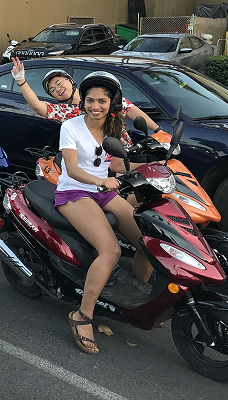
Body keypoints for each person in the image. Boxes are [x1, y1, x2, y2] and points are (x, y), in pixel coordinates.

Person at [54, 72, 153, 355]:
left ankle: (134, 299)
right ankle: (82, 315)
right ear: (83, 101)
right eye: (90, 100)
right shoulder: (71, 127)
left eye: (102, 101)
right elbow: (72, 168)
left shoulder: (113, 127)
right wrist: (100, 180)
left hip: (103, 190)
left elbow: (117, 165)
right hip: (74, 192)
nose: (95, 106)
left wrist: (152, 167)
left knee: (148, 242)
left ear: (112, 103)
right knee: (110, 251)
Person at [10, 57, 163, 147]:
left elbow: (131, 109)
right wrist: (21, 80)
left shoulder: (101, 96)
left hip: (126, 153)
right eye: (52, 90)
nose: (58, 89)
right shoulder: (63, 111)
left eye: (59, 82)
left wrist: (158, 131)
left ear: (70, 81)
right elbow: (37, 106)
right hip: (98, 162)